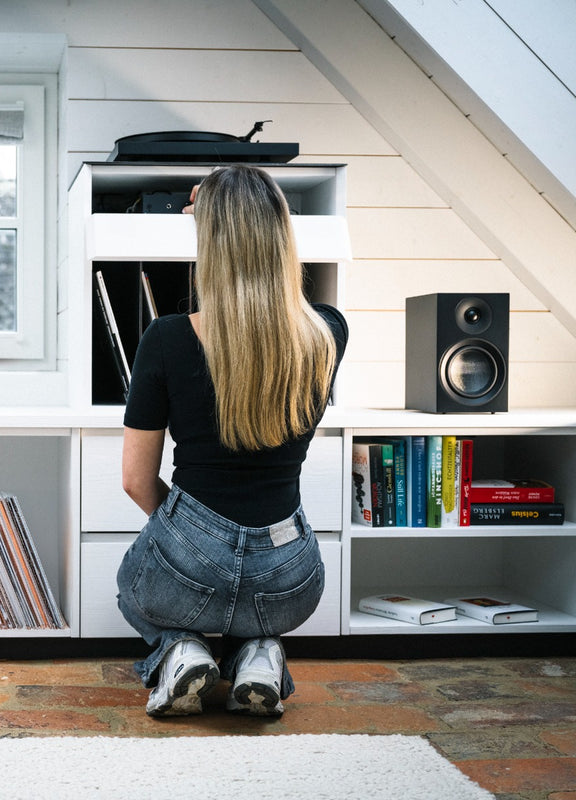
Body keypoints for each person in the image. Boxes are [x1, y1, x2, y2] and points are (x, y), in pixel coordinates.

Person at [115, 164, 348, 718]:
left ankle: (182, 652)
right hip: (290, 577)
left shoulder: (167, 338)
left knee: (132, 586)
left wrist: (186, 537)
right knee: (249, 609)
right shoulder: (328, 333)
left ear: (210, 241)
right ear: (281, 236)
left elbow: (134, 480)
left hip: (187, 564)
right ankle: (260, 653)